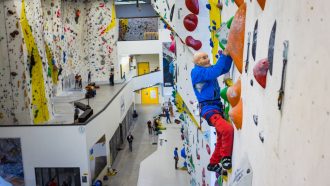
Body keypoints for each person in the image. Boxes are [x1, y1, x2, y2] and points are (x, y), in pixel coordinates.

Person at [190, 50, 234, 174]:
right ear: (197, 62)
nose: (208, 59)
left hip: (214, 107)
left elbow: (223, 69)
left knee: (221, 135)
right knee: (227, 130)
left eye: (207, 56)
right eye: (204, 58)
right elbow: (215, 71)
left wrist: (230, 56)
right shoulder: (197, 72)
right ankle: (225, 157)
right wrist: (224, 54)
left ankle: (213, 163)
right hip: (209, 109)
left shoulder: (204, 70)